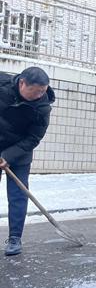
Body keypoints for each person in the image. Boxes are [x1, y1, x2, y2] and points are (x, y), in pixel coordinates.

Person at [0, 67, 55, 256]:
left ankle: (15, 238)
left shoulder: (42, 107)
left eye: (43, 91)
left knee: (17, 195)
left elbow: (33, 138)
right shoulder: (2, 83)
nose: (40, 95)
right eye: (36, 91)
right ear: (21, 83)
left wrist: (8, 155)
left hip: (20, 151)